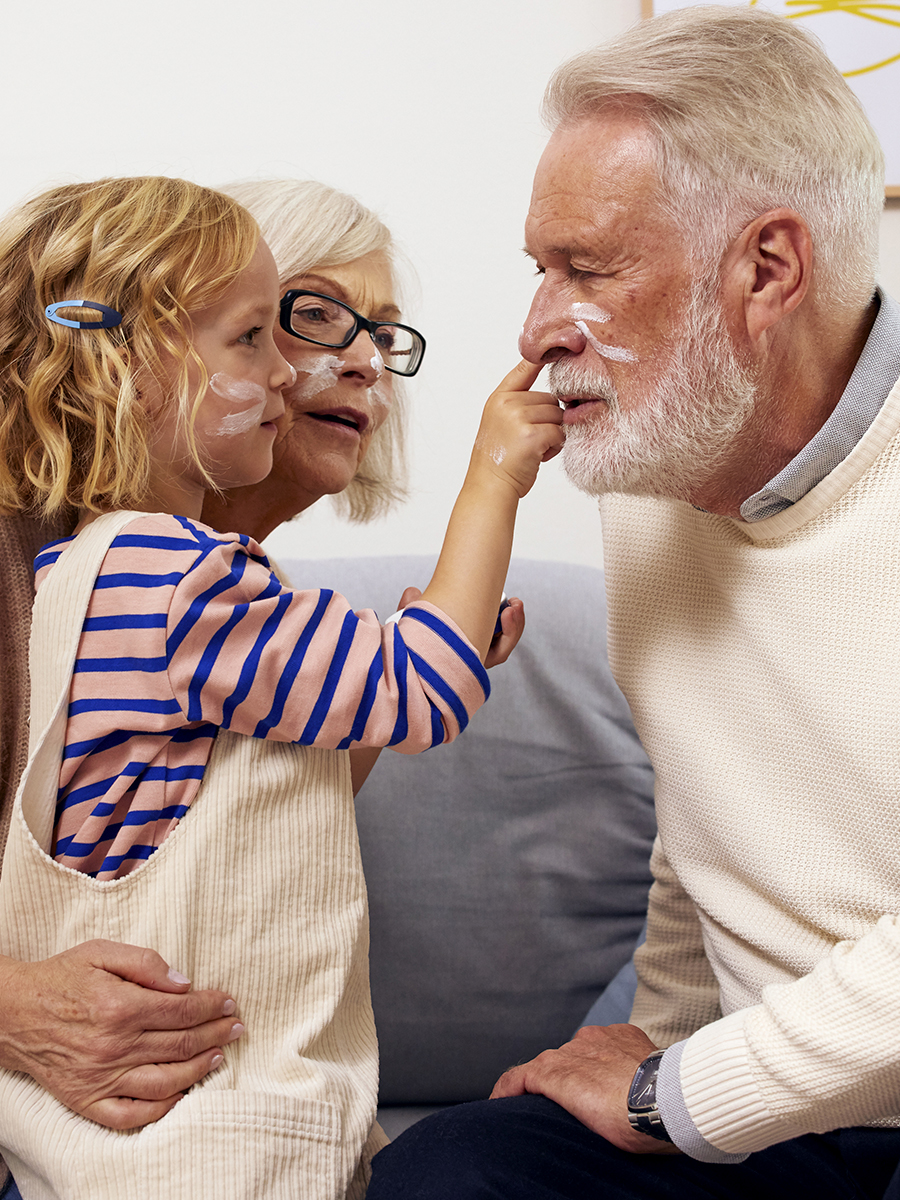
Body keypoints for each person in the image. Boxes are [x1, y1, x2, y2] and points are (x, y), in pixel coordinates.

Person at [366, 6, 900, 1198]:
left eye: (586, 270)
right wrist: (659, 1037)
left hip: (776, 1096)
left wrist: (673, 1096)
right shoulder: (656, 465)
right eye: (540, 269)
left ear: (767, 269)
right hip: (760, 1110)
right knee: (449, 1178)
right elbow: (711, 821)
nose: (536, 330)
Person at [0, 175, 562, 1198]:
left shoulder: (115, 579)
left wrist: (395, 676)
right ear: (137, 361)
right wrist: (496, 476)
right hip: (205, 1132)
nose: (359, 359)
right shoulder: (173, 579)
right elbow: (420, 691)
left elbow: (240, 821)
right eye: (283, 324)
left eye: (384, 335)